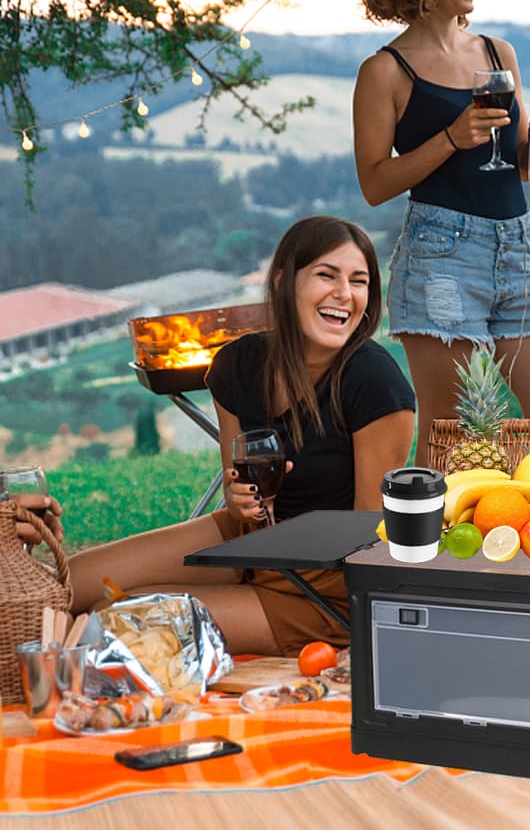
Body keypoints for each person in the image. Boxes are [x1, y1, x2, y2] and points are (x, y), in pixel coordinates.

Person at [69, 216, 415, 656]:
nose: (344, 294)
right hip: (251, 540)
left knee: (112, 619)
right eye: (327, 275)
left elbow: (371, 537)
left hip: (327, 587)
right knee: (71, 585)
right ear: (284, 282)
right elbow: (239, 495)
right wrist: (242, 503)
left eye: (359, 281)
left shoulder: (375, 382)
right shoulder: (237, 366)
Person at [352, 0, 530, 466]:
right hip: (440, 261)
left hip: (518, 250)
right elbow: (374, 183)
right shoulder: (385, 71)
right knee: (452, 439)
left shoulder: (497, 53)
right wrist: (451, 139)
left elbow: (520, 166)